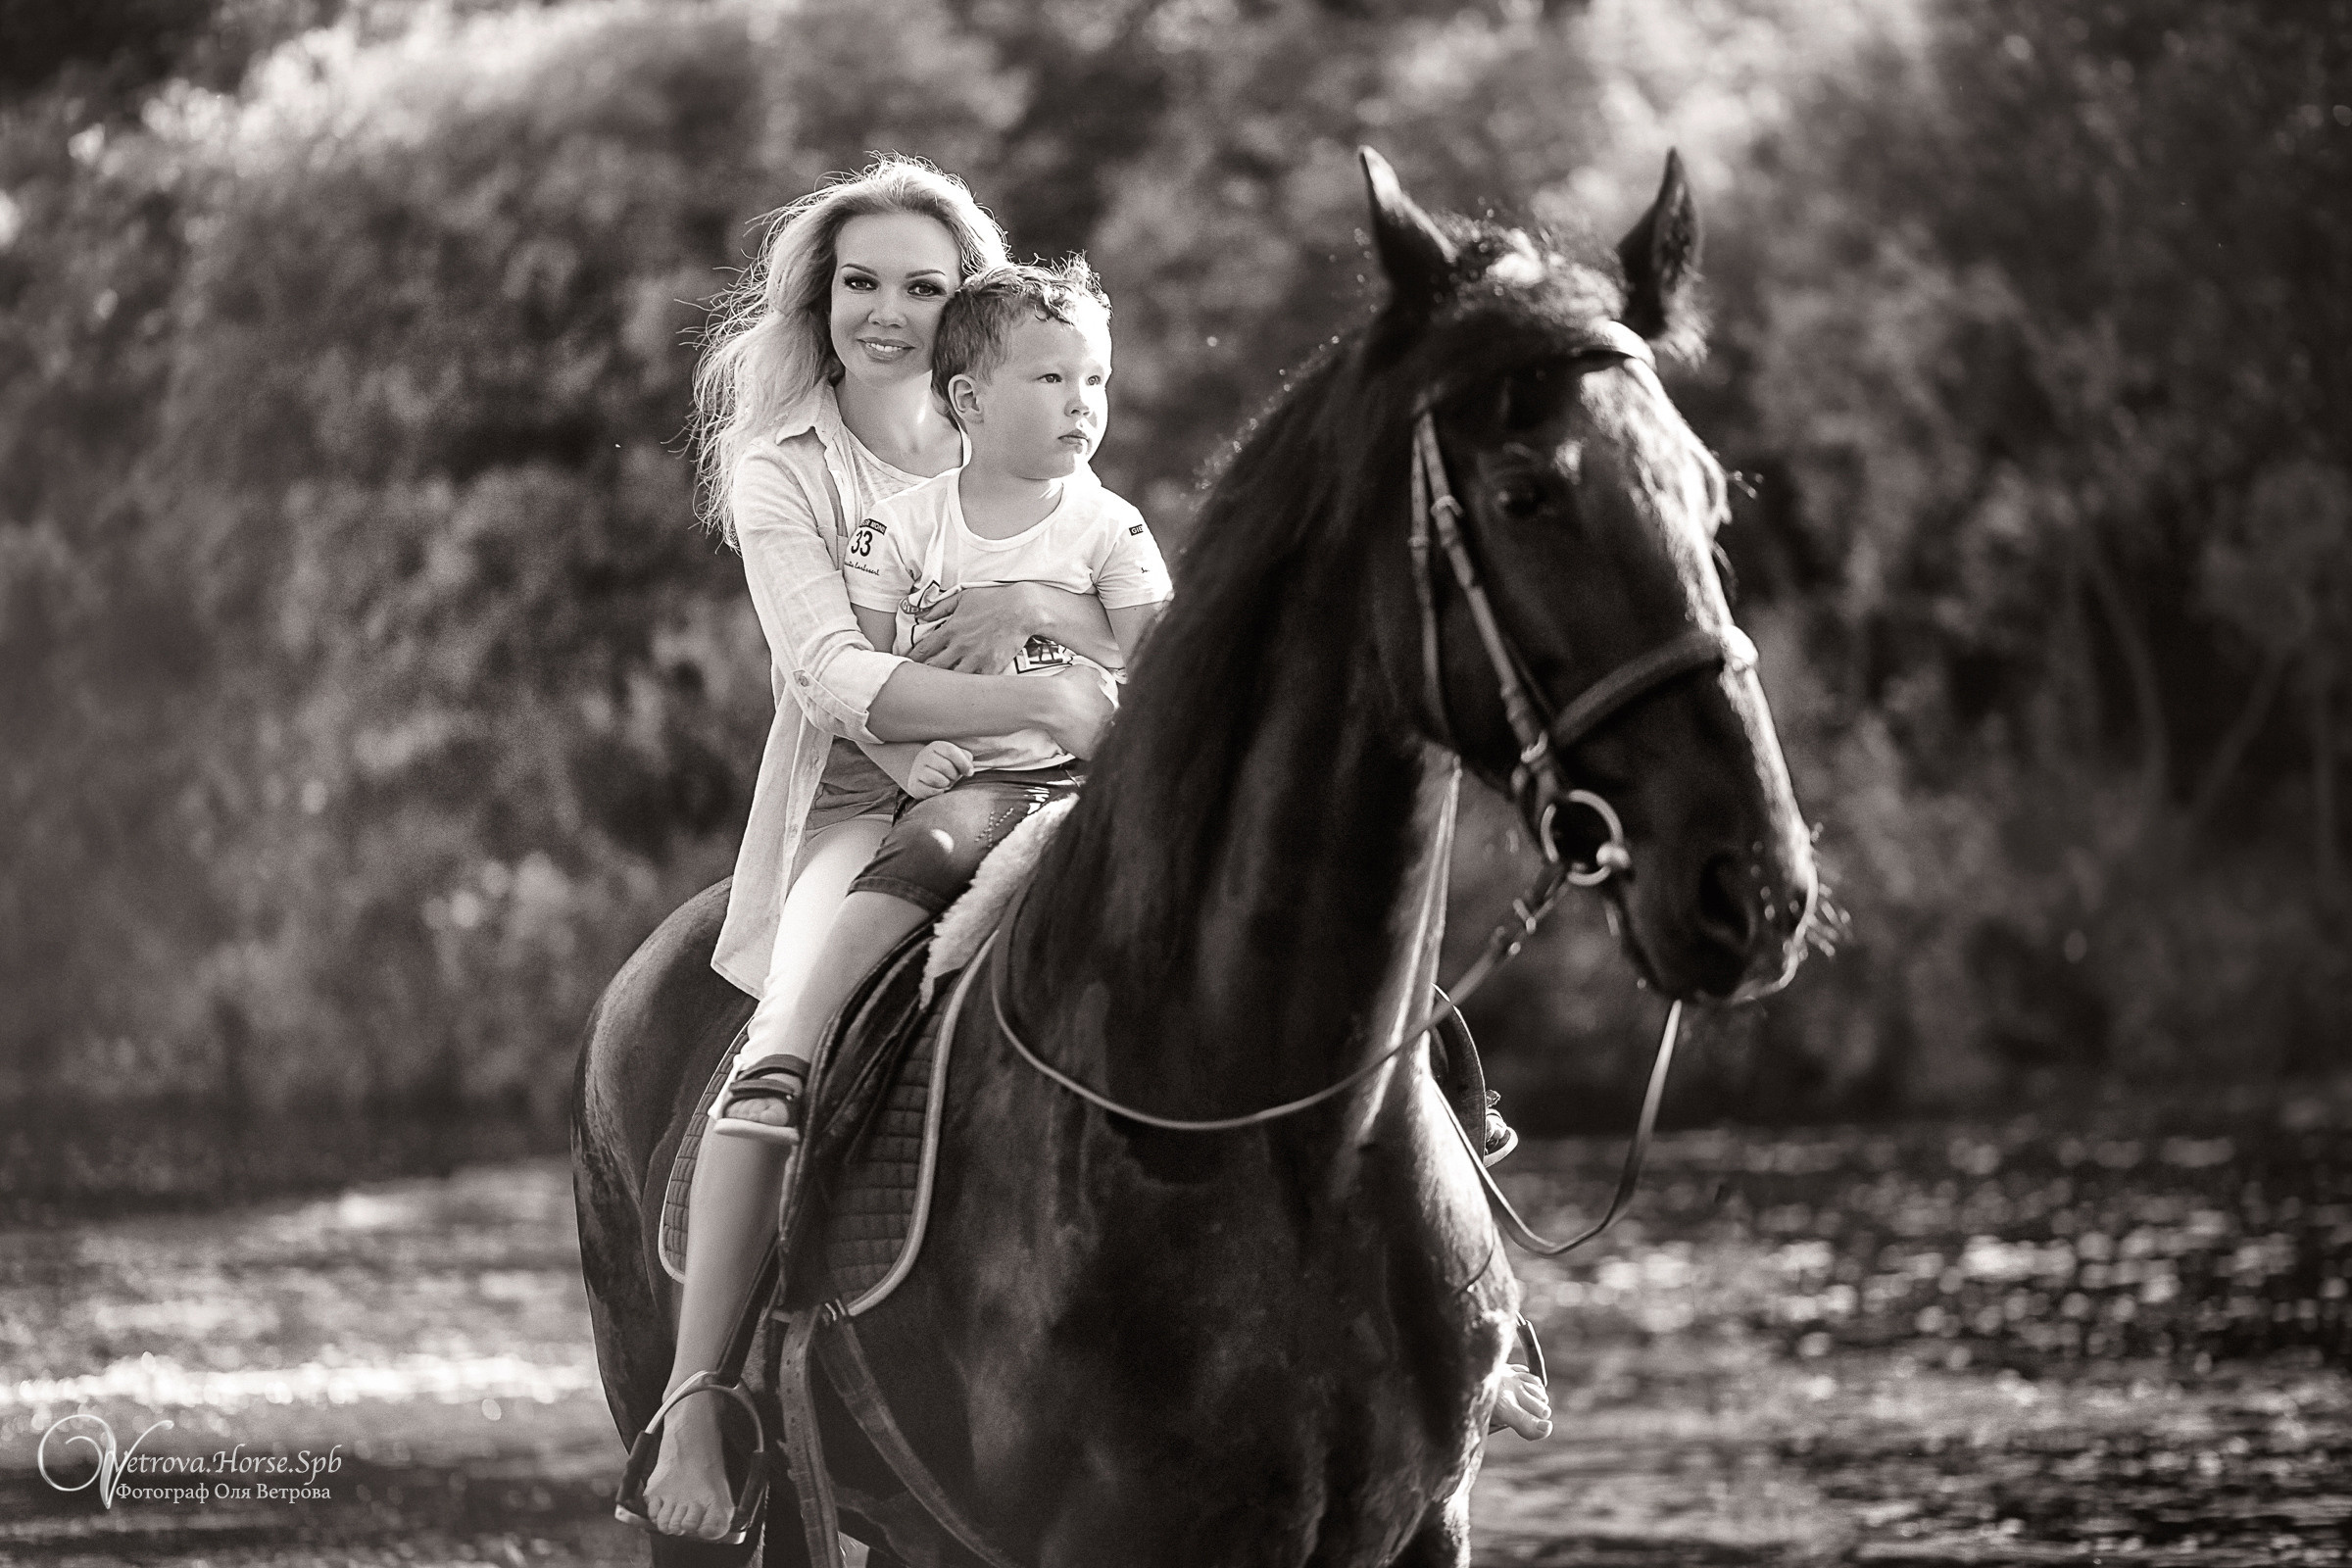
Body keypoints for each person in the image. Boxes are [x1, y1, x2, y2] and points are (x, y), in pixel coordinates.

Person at [638, 159, 1123, 1543]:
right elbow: (832, 675)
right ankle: (697, 1400)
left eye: (924, 285)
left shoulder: (1028, 419)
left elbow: (1123, 628)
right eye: (863, 281)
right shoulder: (781, 466)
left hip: (1059, 788)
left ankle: (1465, 1304)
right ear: (821, 295)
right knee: (785, 1042)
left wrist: (1060, 647)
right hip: (859, 811)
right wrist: (1034, 692)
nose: (891, 311)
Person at [711, 259, 1168, 1155]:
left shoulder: (1111, 526)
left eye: (1095, 381)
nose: (1083, 403)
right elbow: (860, 674)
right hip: (976, 777)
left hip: (1091, 766)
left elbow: (1161, 650)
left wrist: (1037, 607)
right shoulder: (907, 528)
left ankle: (1424, 1067)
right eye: (1051, 380)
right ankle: (792, 1048)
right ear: (969, 398)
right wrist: (898, 765)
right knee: (932, 845)